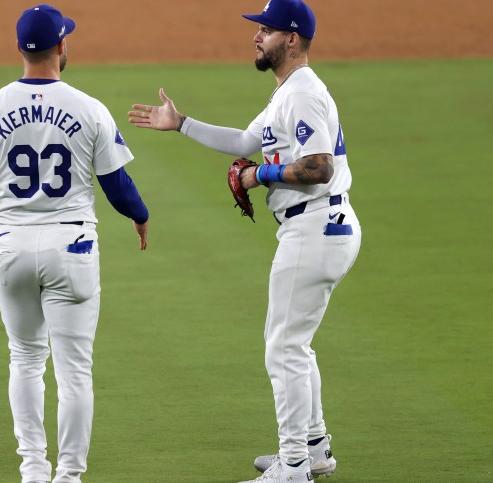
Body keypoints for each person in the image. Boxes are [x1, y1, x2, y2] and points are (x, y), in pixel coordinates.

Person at [128, 0, 360, 481]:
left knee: (283, 349)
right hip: (318, 226)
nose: (256, 36)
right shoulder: (286, 92)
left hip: (315, 225)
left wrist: (261, 175)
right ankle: (313, 447)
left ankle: (293, 464)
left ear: (292, 39)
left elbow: (319, 168)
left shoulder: (303, 94)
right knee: (295, 343)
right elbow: (242, 142)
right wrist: (182, 124)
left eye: (267, 30)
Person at [0, 5, 150, 482]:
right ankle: (68, 476)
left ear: (20, 50)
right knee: (74, 372)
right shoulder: (88, 107)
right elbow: (118, 188)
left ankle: (32, 470)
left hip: (10, 246)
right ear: (62, 46)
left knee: (25, 359)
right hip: (72, 248)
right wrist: (140, 215)